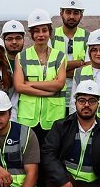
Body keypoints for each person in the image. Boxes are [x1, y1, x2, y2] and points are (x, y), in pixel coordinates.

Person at [12, 9, 68, 143]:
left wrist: (30, 84)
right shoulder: (22, 56)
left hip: (52, 117)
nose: (41, 34)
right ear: (31, 34)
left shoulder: (60, 56)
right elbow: (19, 86)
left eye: (44, 30)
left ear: (50, 32)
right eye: (36, 31)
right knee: (29, 157)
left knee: (49, 156)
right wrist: (46, 92)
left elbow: (59, 84)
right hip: (28, 118)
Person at [52, 0, 89, 75]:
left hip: (80, 86)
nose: (72, 16)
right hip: (57, 87)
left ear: (81, 16)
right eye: (68, 12)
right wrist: (79, 63)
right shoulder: (51, 36)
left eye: (75, 13)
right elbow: (49, 67)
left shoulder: (88, 37)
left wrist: (59, 71)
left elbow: (89, 69)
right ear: (61, 14)